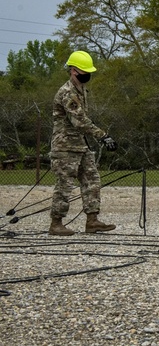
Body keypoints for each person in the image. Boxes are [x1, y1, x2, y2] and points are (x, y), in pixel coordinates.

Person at [48, 50, 118, 236]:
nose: (87, 74)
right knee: (64, 185)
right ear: (73, 70)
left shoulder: (81, 90)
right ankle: (56, 224)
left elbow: (82, 121)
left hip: (81, 145)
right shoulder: (67, 92)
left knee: (92, 180)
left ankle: (92, 221)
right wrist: (102, 135)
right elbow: (79, 120)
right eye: (83, 71)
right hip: (65, 147)